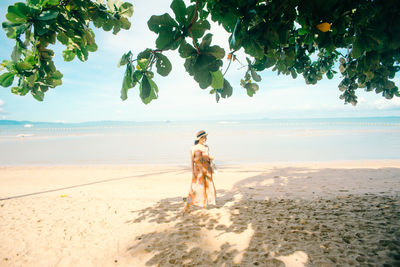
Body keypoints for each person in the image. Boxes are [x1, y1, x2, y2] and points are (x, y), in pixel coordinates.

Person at [184, 130, 216, 212]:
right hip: (198, 171)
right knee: (194, 187)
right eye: (204, 137)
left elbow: (207, 158)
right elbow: (192, 161)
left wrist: (210, 160)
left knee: (206, 187)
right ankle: (188, 204)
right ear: (200, 138)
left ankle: (204, 206)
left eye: (206, 137)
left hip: (207, 169)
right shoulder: (193, 148)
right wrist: (192, 172)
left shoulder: (206, 147)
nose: (205, 139)